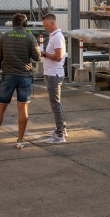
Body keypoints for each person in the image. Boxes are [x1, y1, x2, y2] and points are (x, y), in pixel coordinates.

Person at [0, 13, 41, 149]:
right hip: (24, 76)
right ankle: (20, 141)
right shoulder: (30, 37)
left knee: (1, 107)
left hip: (8, 76)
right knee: (23, 108)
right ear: (25, 24)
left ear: (13, 24)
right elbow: (37, 57)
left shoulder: (4, 37)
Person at [41, 13, 67, 143]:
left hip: (54, 74)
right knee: (57, 103)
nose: (45, 28)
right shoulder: (54, 36)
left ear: (52, 23)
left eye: (46, 25)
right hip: (52, 73)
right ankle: (62, 129)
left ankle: (59, 133)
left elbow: (58, 56)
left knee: (55, 104)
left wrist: (44, 53)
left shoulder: (57, 37)